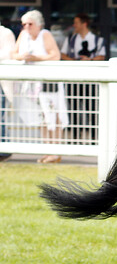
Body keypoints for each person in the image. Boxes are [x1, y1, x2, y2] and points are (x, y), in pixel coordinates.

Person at [11, 10, 64, 163]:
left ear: (38, 24)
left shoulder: (45, 34)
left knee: (53, 116)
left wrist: (36, 58)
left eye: (30, 24)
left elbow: (55, 55)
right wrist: (23, 57)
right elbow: (14, 53)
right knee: (42, 117)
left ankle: (56, 151)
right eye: (24, 24)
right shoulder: (23, 35)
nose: (26, 27)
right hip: (32, 84)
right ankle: (47, 150)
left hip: (49, 81)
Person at [60, 13, 106, 142]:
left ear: (84, 23)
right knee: (73, 108)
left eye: (76, 23)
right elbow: (63, 54)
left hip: (90, 78)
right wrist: (74, 60)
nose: (74, 26)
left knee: (90, 108)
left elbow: (101, 56)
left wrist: (89, 59)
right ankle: (75, 137)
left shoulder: (97, 40)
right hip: (74, 77)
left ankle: (93, 137)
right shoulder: (70, 39)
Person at [0, 19, 16, 162]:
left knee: (0, 114)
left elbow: (9, 54)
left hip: (2, 80)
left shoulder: (6, 33)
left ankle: (4, 150)